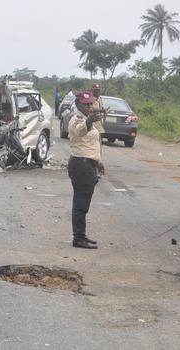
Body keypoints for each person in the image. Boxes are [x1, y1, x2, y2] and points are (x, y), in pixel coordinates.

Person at [67, 91, 106, 249]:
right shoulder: (77, 119)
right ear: (78, 105)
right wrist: (89, 121)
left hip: (88, 164)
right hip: (80, 165)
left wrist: (98, 162)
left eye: (91, 104)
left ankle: (81, 235)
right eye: (86, 104)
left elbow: (90, 145)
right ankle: (78, 238)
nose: (89, 106)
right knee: (80, 203)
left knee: (84, 202)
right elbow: (80, 131)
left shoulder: (87, 118)